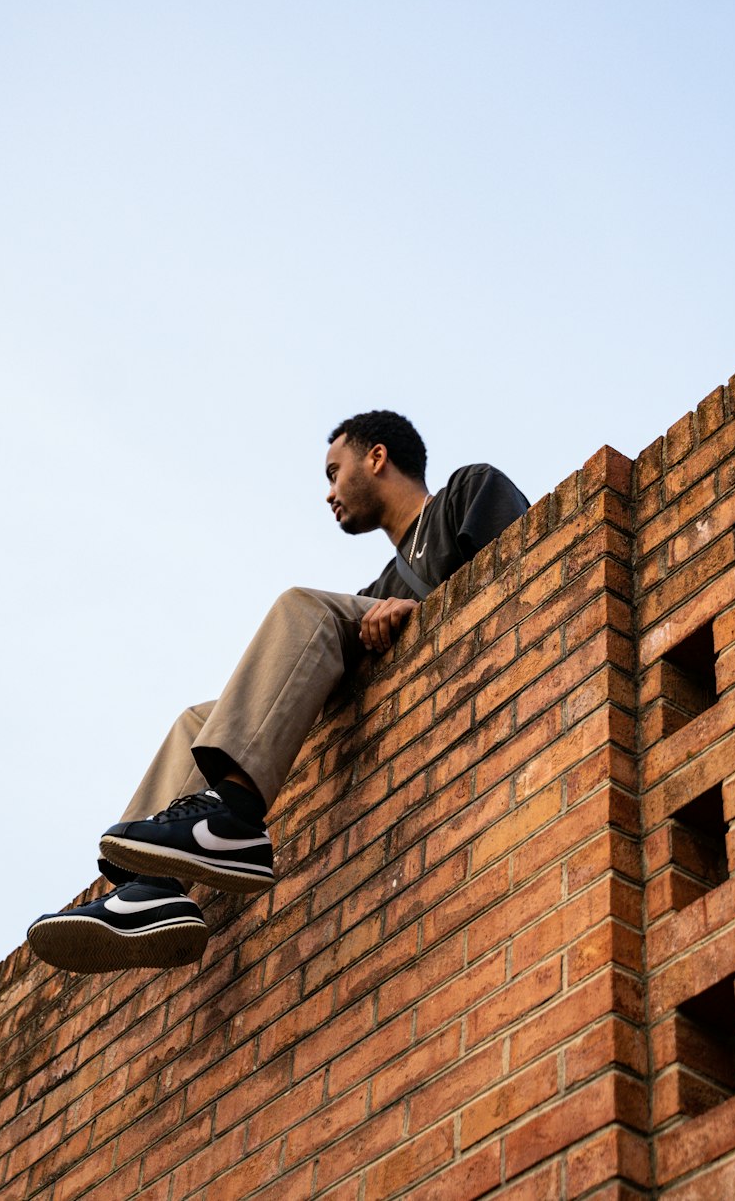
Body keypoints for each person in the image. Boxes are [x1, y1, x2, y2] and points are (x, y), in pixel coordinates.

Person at [28, 410, 528, 974]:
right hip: (365, 652)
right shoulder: (374, 592)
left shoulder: (465, 490)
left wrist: (424, 609)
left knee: (301, 606)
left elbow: (523, 562)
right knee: (195, 720)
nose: (329, 493)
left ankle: (236, 818)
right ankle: (152, 890)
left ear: (377, 458)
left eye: (334, 472)